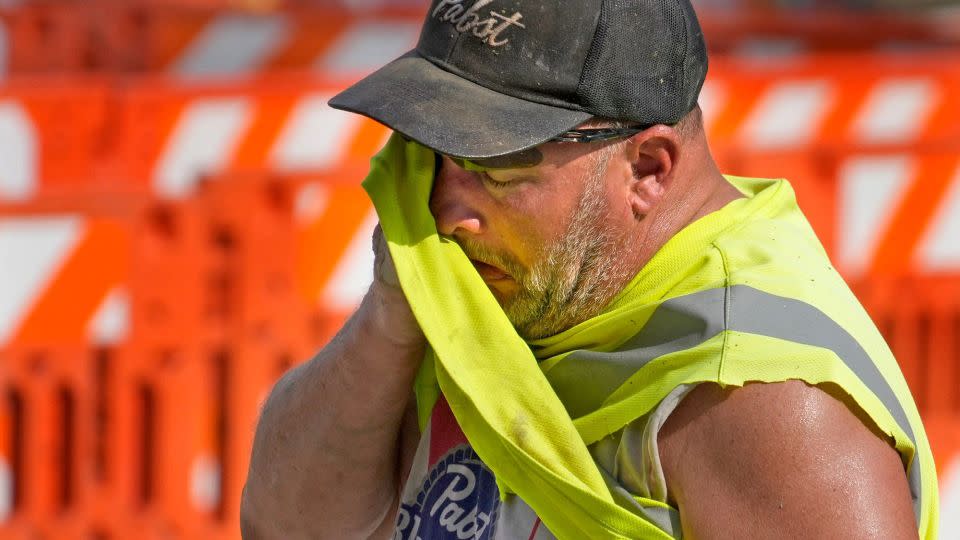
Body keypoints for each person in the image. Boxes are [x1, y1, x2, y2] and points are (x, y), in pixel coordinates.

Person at [240, 0, 938, 538]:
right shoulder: (501, 287)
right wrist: (392, 318)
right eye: (430, 156)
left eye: (496, 172)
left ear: (647, 170)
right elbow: (283, 525)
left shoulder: (759, 398)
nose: (447, 213)